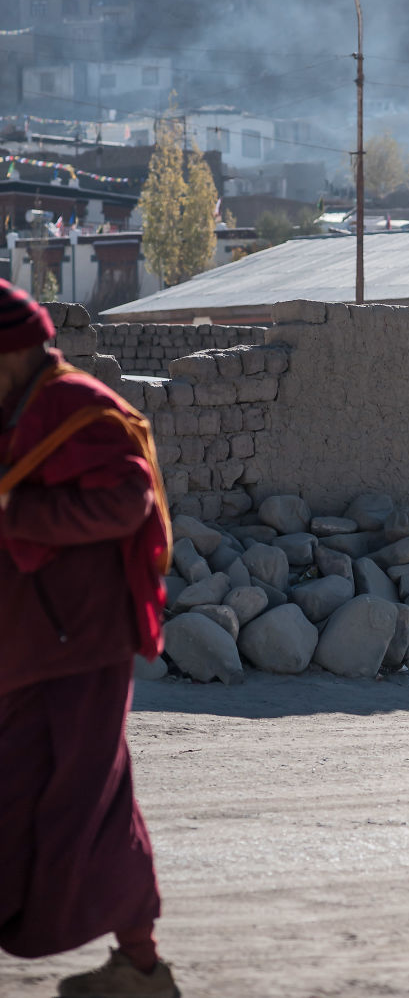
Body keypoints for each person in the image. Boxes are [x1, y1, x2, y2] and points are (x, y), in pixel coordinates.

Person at [0, 282, 180, 997]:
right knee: (72, 800)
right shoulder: (16, 408)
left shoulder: (75, 409)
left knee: (75, 802)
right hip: (29, 644)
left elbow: (127, 499)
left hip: (78, 644)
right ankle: (139, 967)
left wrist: (19, 514)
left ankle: (139, 968)